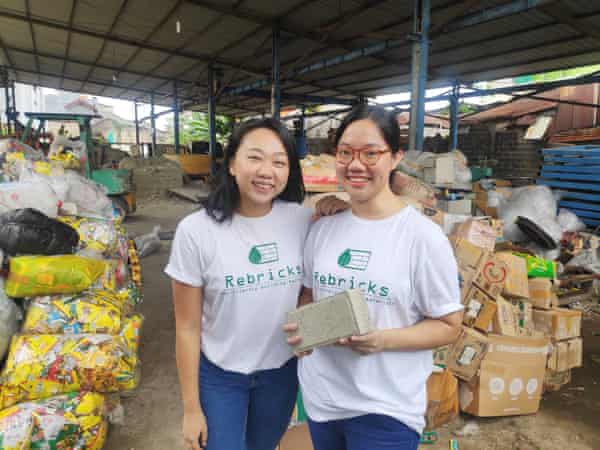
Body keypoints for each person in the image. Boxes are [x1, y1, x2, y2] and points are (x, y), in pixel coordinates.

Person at [285, 104, 464, 450]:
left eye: (370, 153)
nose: (355, 164)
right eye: (345, 153)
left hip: (387, 408)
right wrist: (304, 332)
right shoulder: (323, 228)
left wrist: (382, 339)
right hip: (323, 400)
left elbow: (449, 324)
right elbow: (308, 294)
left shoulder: (422, 238)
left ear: (395, 157)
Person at [165, 117, 345, 450]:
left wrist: (340, 209)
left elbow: (315, 284)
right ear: (232, 163)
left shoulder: (302, 220)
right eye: (255, 157)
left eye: (279, 162)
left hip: (280, 372)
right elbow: (187, 327)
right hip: (220, 374)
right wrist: (191, 409)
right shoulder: (196, 231)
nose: (267, 171)